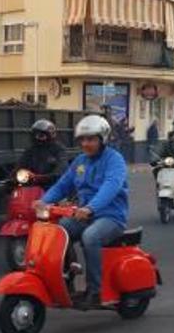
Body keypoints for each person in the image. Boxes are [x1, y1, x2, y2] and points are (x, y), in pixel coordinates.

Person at [38, 115, 129, 309]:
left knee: (91, 237)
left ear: (102, 139)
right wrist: (43, 201)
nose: (86, 144)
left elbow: (111, 186)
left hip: (111, 216)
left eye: (91, 139)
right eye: (83, 140)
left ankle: (94, 291)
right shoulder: (80, 161)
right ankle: (68, 277)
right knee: (60, 231)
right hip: (84, 214)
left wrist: (90, 207)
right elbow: (63, 185)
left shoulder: (115, 160)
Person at [17, 119, 66, 186]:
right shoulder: (31, 150)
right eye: (36, 135)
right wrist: (15, 175)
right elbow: (20, 165)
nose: (38, 138)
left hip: (51, 185)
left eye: (41, 136)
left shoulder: (58, 149)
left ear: (50, 135)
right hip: (32, 184)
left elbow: (61, 168)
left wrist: (42, 177)